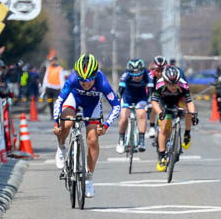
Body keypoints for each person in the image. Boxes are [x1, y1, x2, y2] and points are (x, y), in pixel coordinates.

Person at [53, 54, 121, 198]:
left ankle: (89, 179)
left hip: (92, 104)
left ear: (95, 75)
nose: (85, 84)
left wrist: (106, 125)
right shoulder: (72, 79)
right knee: (67, 122)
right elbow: (59, 102)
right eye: (82, 81)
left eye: (89, 81)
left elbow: (116, 106)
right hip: (74, 99)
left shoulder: (102, 83)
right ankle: (61, 147)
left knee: (92, 139)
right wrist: (56, 123)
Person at [150, 65, 198, 172]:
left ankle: (187, 134)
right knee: (164, 128)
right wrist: (160, 112)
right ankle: (162, 157)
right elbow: (154, 101)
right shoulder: (159, 84)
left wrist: (193, 114)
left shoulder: (183, 85)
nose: (173, 86)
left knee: (187, 111)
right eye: (170, 84)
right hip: (165, 102)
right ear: (165, 81)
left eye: (175, 83)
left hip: (178, 101)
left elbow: (189, 101)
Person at [116, 58, 153, 153]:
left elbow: (150, 90)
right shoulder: (126, 74)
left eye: (139, 75)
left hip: (141, 97)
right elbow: (120, 89)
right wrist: (118, 98)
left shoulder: (147, 73)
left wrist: (149, 102)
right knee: (124, 116)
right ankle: (121, 140)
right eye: (134, 75)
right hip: (128, 96)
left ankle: (141, 141)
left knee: (141, 114)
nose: (137, 77)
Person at [147, 55, 167, 138]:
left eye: (162, 70)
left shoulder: (167, 74)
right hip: (153, 92)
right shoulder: (150, 75)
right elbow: (149, 89)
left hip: (164, 92)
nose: (159, 73)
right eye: (157, 70)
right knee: (154, 107)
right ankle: (152, 127)